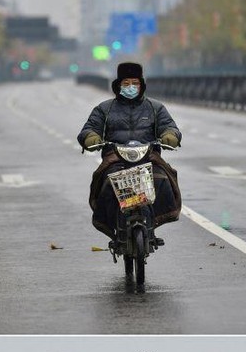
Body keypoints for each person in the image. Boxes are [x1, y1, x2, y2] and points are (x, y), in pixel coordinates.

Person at [77, 61, 182, 242]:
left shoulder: (155, 108)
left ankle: (153, 223)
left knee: (163, 181)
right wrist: (91, 138)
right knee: (105, 187)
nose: (131, 87)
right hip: (115, 159)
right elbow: (89, 128)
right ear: (118, 85)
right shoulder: (105, 109)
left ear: (141, 85)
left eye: (135, 83)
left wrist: (170, 136)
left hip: (149, 158)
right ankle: (113, 226)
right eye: (126, 83)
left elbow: (170, 127)